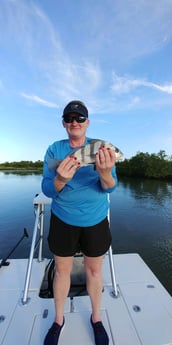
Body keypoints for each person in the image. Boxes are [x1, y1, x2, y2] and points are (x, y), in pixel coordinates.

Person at [42, 100, 117, 345]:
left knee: (94, 270)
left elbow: (110, 187)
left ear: (87, 122)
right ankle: (58, 320)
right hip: (63, 219)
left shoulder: (102, 148)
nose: (75, 122)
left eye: (80, 118)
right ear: (64, 123)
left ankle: (96, 319)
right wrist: (60, 179)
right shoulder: (54, 149)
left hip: (95, 220)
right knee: (62, 271)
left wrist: (105, 172)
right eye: (70, 118)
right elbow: (48, 189)